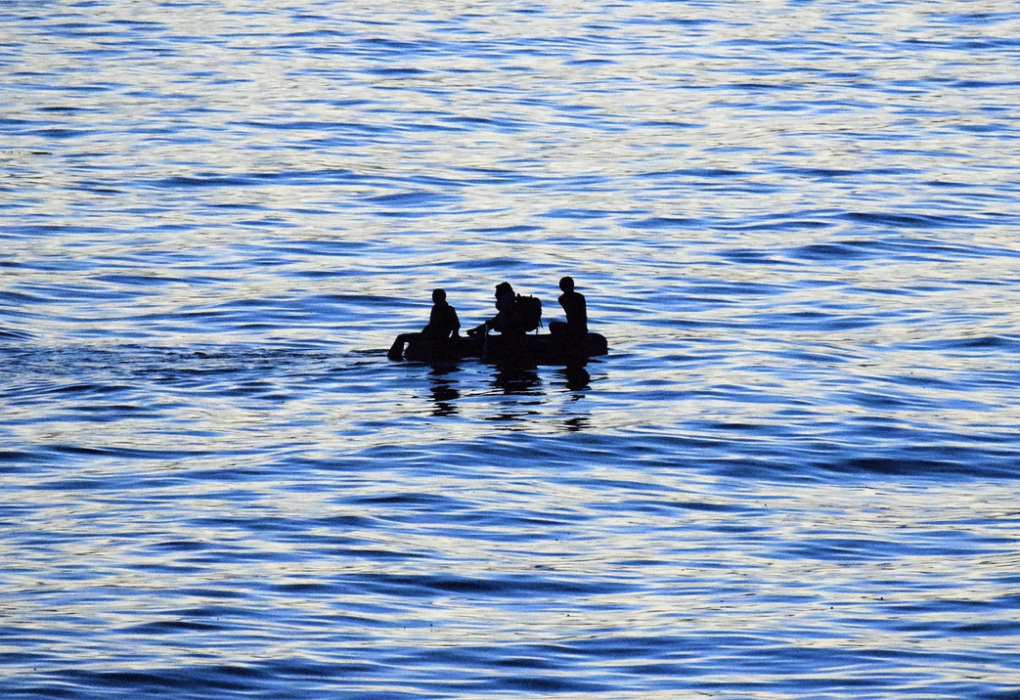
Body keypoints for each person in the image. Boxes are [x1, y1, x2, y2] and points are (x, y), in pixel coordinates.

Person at [388, 288, 460, 360]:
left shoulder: (448, 309)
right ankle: (394, 355)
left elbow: (455, 324)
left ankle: (394, 356)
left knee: (401, 337)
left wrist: (455, 334)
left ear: (442, 297)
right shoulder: (435, 308)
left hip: (436, 337)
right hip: (429, 335)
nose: (433, 298)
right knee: (403, 337)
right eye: (433, 296)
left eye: (435, 296)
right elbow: (432, 324)